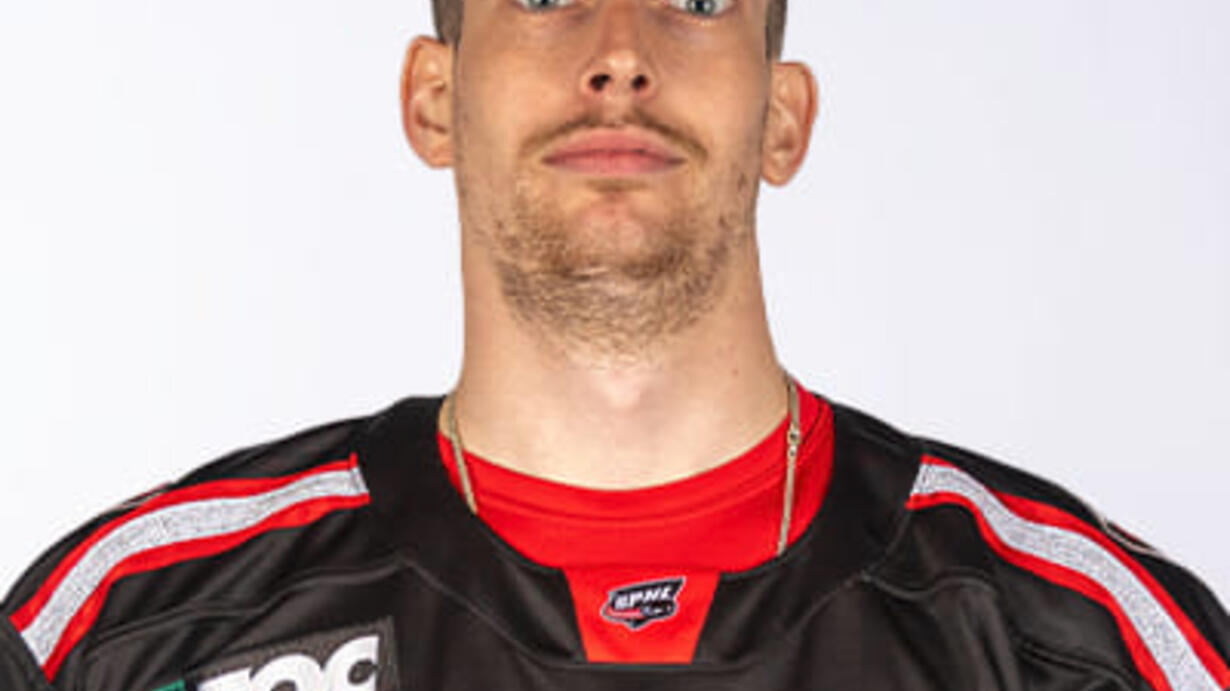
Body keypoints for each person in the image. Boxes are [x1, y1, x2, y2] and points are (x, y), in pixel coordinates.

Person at [2, 0, 1227, 689]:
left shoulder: (1081, 643)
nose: (622, 56)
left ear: (783, 117)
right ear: (434, 99)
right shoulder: (131, 629)